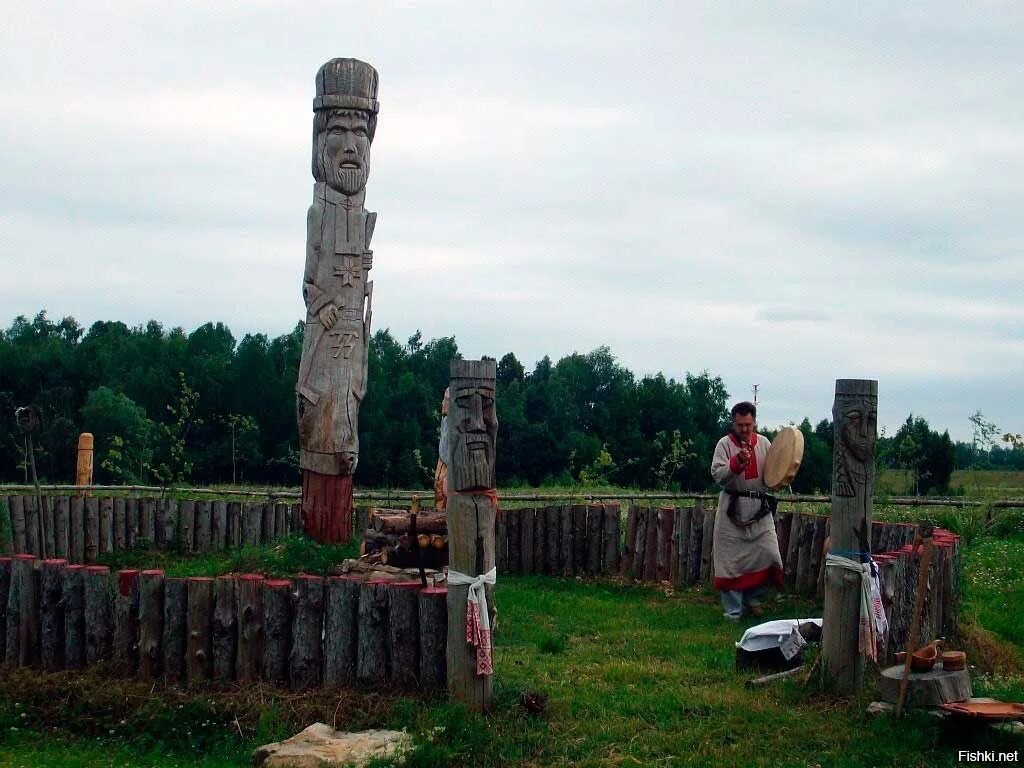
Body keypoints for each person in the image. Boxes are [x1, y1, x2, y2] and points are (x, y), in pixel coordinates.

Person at [710, 401, 784, 620]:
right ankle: (732, 612)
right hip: (732, 509)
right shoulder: (724, 444)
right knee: (730, 562)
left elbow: (773, 473)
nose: (744, 429)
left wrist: (785, 472)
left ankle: (751, 598)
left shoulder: (764, 443)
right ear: (733, 422)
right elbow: (718, 475)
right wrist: (735, 463)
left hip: (759, 509)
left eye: (748, 425)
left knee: (770, 555)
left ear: (754, 422)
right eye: (740, 424)